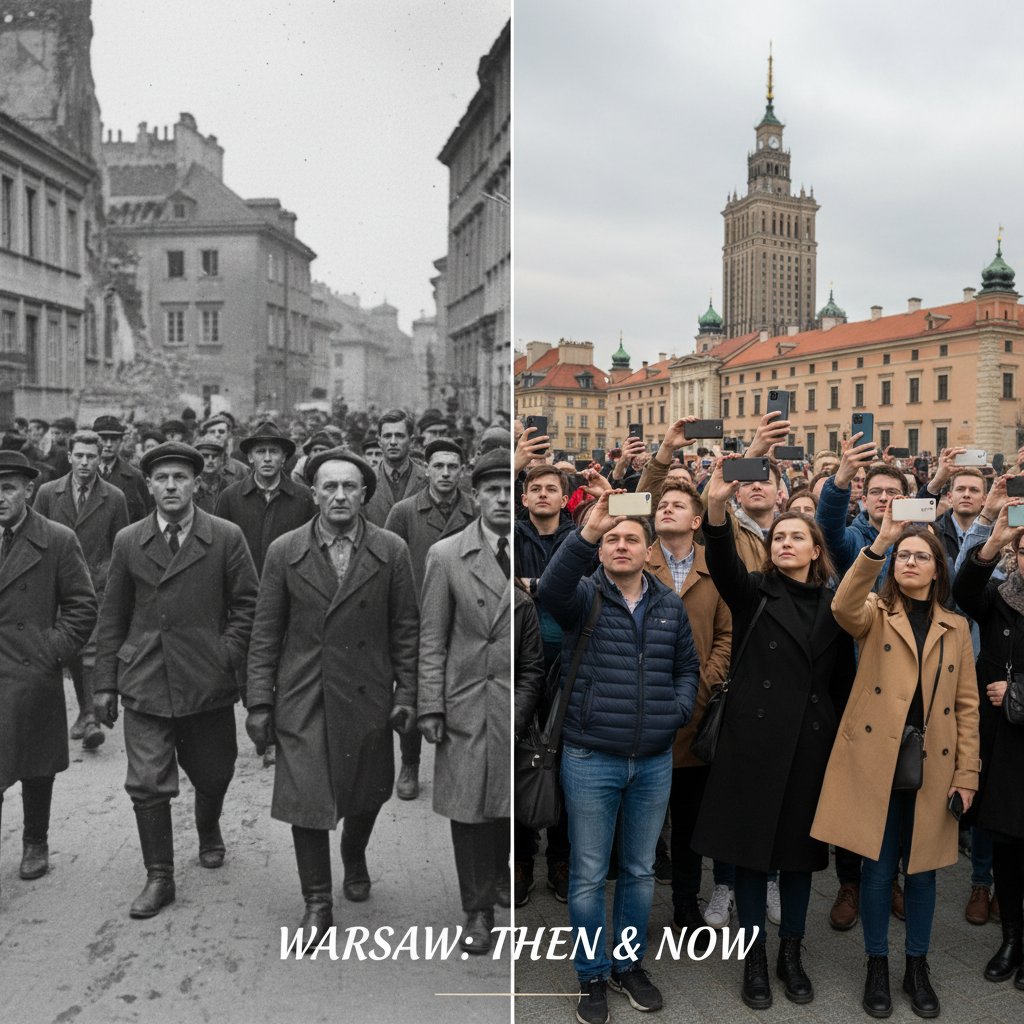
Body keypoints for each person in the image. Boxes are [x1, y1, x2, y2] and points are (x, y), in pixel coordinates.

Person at [695, 456, 853, 1010]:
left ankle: (792, 953)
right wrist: (716, 506)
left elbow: (842, 683)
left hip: (810, 743)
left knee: (799, 856)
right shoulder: (753, 591)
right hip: (753, 741)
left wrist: (833, 736)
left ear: (816, 549)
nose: (785, 543)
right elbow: (720, 556)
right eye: (779, 536)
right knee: (749, 852)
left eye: (796, 537)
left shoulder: (837, 605)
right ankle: (755, 957)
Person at [536, 489, 699, 1024]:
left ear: (649, 549)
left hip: (652, 760)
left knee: (638, 869)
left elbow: (687, 670)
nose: (621, 545)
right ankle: (591, 975)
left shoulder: (669, 605)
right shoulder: (583, 596)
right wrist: (587, 530)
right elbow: (552, 586)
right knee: (587, 873)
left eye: (631, 538)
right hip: (590, 755)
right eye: (612, 540)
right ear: (601, 550)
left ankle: (628, 965)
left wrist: (673, 712)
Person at [812, 506, 980, 1018]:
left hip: (935, 762)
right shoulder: (873, 611)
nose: (910, 562)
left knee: (924, 872)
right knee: (879, 869)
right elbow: (842, 607)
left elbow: (969, 707)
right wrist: (878, 545)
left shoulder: (954, 626)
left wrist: (968, 774)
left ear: (937, 568)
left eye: (920, 555)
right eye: (903, 555)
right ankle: (877, 965)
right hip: (877, 758)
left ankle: (917, 966)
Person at [245, 447, 418, 931]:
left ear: (364, 495)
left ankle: (354, 853)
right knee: (307, 794)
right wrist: (259, 701)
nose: (339, 496)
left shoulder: (391, 550)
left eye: (349, 488)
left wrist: (406, 695)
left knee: (369, 791)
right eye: (329, 487)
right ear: (314, 493)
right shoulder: (285, 550)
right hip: (302, 693)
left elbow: (405, 629)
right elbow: (264, 632)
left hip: (367, 694)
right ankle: (317, 899)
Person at [93, 442, 259, 919]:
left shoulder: (225, 536)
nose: (171, 486)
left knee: (214, 772)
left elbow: (248, 605)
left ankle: (208, 828)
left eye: (180, 478)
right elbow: (113, 615)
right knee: (147, 782)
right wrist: (105, 681)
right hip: (145, 676)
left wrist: (224, 652)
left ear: (196, 484)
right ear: (148, 485)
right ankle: (159, 876)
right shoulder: (129, 540)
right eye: (162, 478)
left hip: (205, 680)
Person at [417, 448, 513, 954]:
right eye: (492, 490)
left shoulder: (536, 553)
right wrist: (430, 704)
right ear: (475, 497)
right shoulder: (447, 554)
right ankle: (476, 910)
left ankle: (501, 874)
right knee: (469, 806)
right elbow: (431, 638)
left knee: (505, 803)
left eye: (509, 489)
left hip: (517, 699)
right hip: (468, 697)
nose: (502, 498)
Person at [0, 450, 96, 890]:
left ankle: (35, 841)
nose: (0, 498)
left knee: (36, 764)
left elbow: (81, 605)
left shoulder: (56, 539)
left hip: (30, 670)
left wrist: (49, 652)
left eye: (7, 488)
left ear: (28, 491)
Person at [646, 480, 733, 942]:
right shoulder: (641, 559)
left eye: (677, 504)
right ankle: (636, 906)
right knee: (643, 818)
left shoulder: (714, 567)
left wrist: (705, 678)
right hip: (643, 706)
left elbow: (726, 634)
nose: (667, 509)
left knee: (689, 819)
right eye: (662, 504)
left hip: (695, 710)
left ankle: (684, 904)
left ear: (697, 521)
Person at [952, 499, 1024, 989]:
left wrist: (1020, 693)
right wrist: (993, 541)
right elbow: (962, 591)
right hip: (1004, 747)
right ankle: (1013, 938)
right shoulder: (1002, 595)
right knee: (1007, 845)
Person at [384, 438, 476, 801]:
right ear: (427, 470)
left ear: (463, 471)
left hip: (464, 613)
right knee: (415, 687)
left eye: (453, 467)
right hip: (418, 615)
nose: (445, 473)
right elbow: (388, 566)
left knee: (460, 692)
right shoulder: (405, 512)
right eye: (438, 466)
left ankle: (455, 768)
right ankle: (409, 763)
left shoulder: (474, 510)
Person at [33, 430, 130, 751]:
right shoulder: (49, 493)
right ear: (70, 457)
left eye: (92, 456)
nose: (86, 462)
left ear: (100, 458)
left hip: (97, 586)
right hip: (57, 586)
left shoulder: (114, 497)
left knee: (90, 649)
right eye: (80, 456)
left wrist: (114, 584)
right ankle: (84, 713)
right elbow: (35, 538)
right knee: (70, 649)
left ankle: (90, 716)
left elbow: (121, 546)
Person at [513, 463, 576, 905]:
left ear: (563, 498)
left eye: (551, 489)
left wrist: (533, 585)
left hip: (569, 662)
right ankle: (521, 860)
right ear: (523, 497)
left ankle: (560, 857)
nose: (542, 495)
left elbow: (586, 583)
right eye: (534, 489)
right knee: (520, 760)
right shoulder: (512, 536)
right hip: (519, 662)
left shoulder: (579, 536)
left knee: (564, 764)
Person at [214, 422, 316, 577]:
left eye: (274, 452)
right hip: (244, 590)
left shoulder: (304, 497)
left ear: (283, 458)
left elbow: (313, 551)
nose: (267, 458)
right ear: (250, 457)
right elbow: (219, 550)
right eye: (260, 452)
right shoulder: (230, 497)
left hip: (289, 587)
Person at [363, 410, 428, 526]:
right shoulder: (365, 480)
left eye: (399, 436)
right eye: (387, 436)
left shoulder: (427, 479)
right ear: (379, 441)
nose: (393, 442)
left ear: (411, 441)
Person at [92, 415, 153, 522]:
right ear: (94, 441)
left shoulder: (135, 477)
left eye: (114, 439)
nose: (109, 444)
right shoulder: (83, 474)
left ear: (121, 441)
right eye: (104, 439)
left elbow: (146, 518)